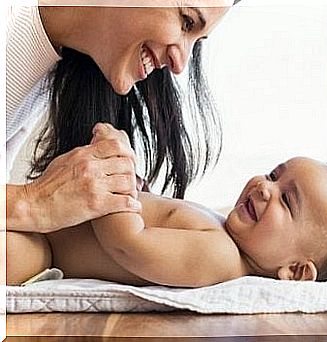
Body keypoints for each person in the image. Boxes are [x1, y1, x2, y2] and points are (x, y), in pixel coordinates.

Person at [6, 1, 236, 234]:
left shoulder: (45, 62)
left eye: (196, 42)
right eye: (187, 21)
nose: (180, 64)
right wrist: (32, 202)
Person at [7, 146, 327, 286]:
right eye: (274, 175)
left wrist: (115, 173)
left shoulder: (221, 258)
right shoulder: (224, 231)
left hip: (46, 250)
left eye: (286, 201)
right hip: (52, 222)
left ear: (295, 272)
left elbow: (127, 244)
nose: (264, 187)